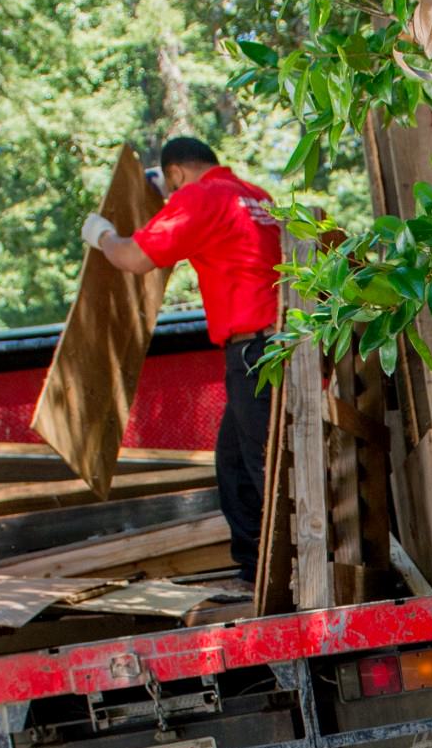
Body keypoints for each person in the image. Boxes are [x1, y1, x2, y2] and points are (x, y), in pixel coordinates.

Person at [84, 136, 283, 590]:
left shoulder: (200, 197)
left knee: (265, 465)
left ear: (175, 173)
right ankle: (256, 569)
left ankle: (287, 574)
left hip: (253, 351)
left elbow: (134, 258)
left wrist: (102, 235)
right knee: (233, 463)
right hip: (278, 344)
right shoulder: (255, 196)